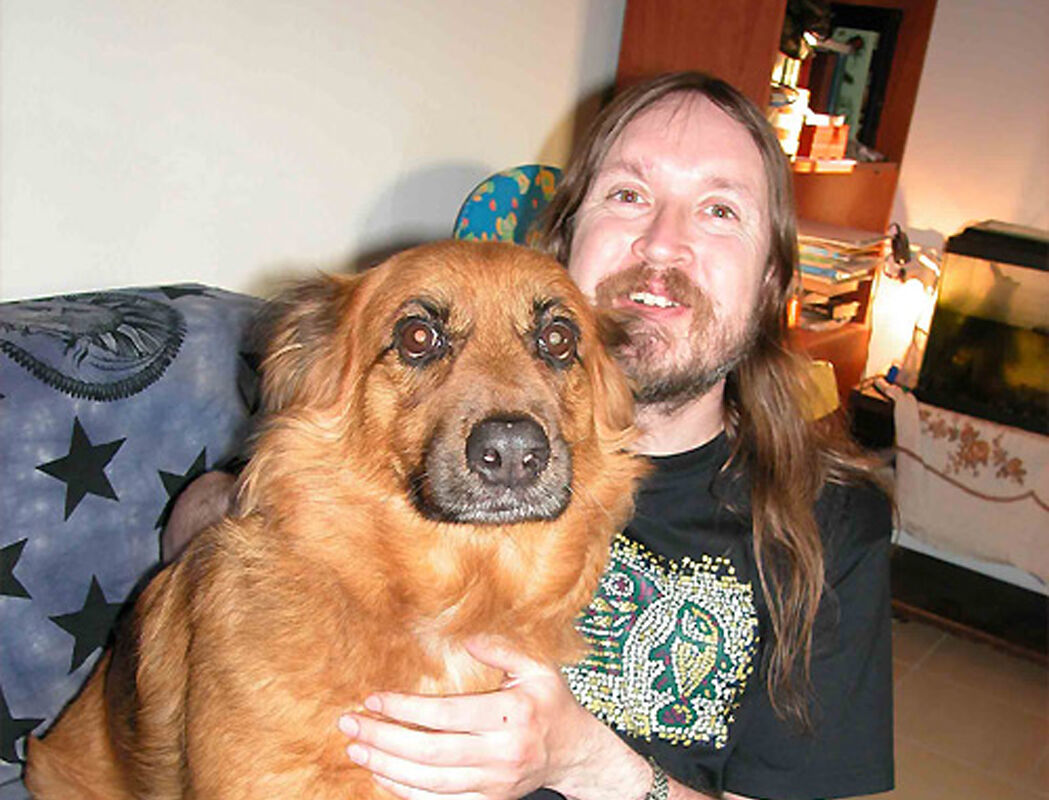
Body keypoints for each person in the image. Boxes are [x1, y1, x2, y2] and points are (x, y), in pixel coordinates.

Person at [333, 72, 894, 799]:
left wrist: (587, 764)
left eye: (719, 211)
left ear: (767, 284)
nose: (662, 245)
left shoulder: (832, 524)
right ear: (562, 241)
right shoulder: (443, 445)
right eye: (628, 195)